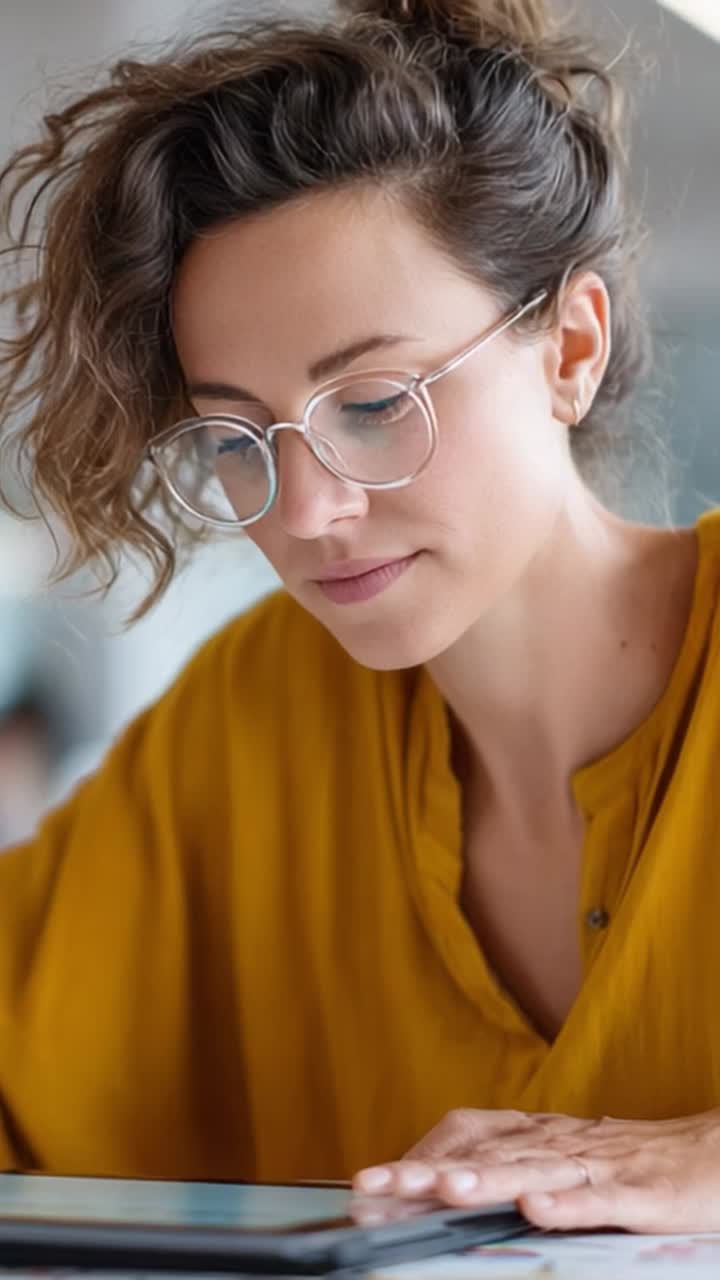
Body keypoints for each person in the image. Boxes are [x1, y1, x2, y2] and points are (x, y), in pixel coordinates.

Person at [0, 0, 718, 1236]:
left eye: (376, 401)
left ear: (572, 346)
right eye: (238, 436)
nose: (310, 510)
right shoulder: (251, 715)